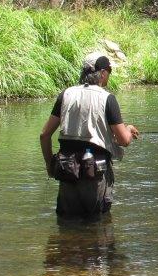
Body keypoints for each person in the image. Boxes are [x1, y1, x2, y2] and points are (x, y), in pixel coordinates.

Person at [40, 53, 139, 221]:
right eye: (109, 70)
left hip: (66, 170)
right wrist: (128, 130)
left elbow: (44, 135)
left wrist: (50, 166)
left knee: (66, 226)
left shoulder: (65, 95)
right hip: (95, 174)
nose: (109, 74)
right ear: (102, 73)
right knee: (98, 228)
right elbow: (123, 140)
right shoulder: (107, 98)